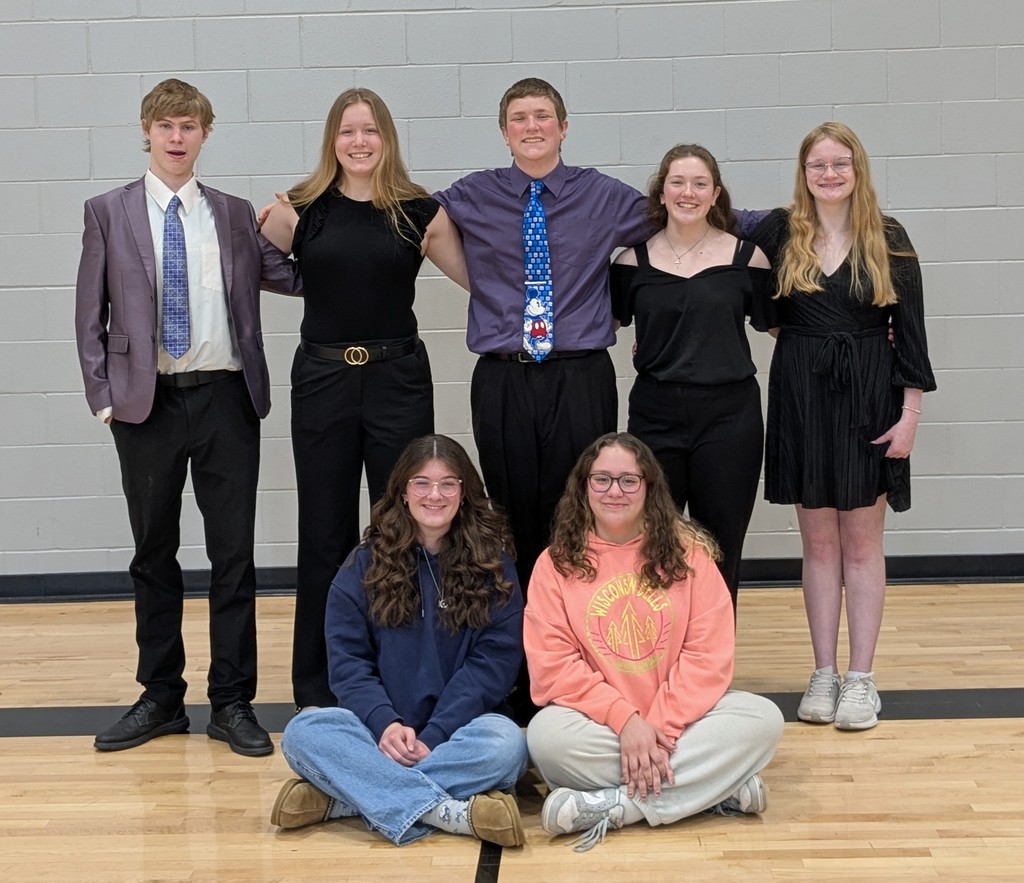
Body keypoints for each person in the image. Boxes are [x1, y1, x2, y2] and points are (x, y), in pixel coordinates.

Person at [433, 78, 766, 718]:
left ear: (563, 127)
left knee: (583, 519)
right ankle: (521, 669)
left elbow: (685, 215)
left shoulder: (602, 195)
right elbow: (419, 223)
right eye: (519, 118)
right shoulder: (476, 193)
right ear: (504, 131)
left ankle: (599, 664)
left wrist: (790, 222)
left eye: (544, 117)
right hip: (502, 377)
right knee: (509, 518)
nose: (532, 127)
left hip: (579, 375)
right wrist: (482, 285)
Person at [75, 79, 301, 756]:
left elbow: (294, 277)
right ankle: (161, 696)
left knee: (234, 555)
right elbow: (90, 314)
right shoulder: (106, 212)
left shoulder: (232, 215)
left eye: (190, 126)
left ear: (206, 134)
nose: (178, 137)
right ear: (146, 129)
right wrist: (104, 398)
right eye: (167, 125)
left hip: (227, 399)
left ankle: (232, 701)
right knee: (153, 552)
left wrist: (302, 223)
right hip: (146, 404)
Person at [260, 88, 469, 711]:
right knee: (323, 530)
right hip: (322, 380)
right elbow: (244, 273)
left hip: (397, 380)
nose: (359, 141)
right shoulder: (294, 211)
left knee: (401, 527)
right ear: (332, 139)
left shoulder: (419, 214)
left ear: (387, 139)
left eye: (370, 130)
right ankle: (319, 688)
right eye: (347, 131)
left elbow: (485, 283)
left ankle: (399, 677)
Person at [750, 122, 936, 730]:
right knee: (818, 544)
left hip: (870, 401)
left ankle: (861, 679)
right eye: (817, 165)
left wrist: (909, 415)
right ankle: (823, 672)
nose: (829, 174)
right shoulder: (780, 232)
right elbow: (762, 311)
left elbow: (911, 334)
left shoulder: (888, 237)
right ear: (802, 174)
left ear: (858, 170)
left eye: (840, 163)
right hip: (802, 395)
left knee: (861, 542)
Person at [524, 433, 784, 851]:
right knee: (546, 738)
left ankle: (616, 806)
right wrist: (626, 722)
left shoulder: (690, 554)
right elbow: (553, 666)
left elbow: (708, 655)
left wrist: (657, 727)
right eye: (602, 479)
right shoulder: (555, 563)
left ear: (649, 487)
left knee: (763, 719)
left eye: (629, 480)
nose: (614, 491)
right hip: (603, 726)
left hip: (679, 724)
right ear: (583, 486)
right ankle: (715, 789)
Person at [270, 435, 527, 848]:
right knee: (304, 731)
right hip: (380, 732)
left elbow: (493, 666)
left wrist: (434, 735)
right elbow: (348, 664)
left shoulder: (493, 566)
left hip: (460, 731)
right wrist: (385, 723)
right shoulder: (364, 565)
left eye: (448, 484)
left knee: (507, 746)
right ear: (403, 492)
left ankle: (348, 799)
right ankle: (449, 813)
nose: (435, 495)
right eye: (421, 483)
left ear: (465, 492)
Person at [611, 144, 772, 608]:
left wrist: (869, 331)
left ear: (715, 193)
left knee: (721, 543)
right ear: (661, 193)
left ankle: (714, 662)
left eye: (700, 183)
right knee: (653, 541)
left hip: (730, 417)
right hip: (655, 414)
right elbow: (604, 324)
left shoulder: (748, 258)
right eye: (677, 182)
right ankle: (655, 656)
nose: (688, 192)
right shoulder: (630, 263)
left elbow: (783, 326)